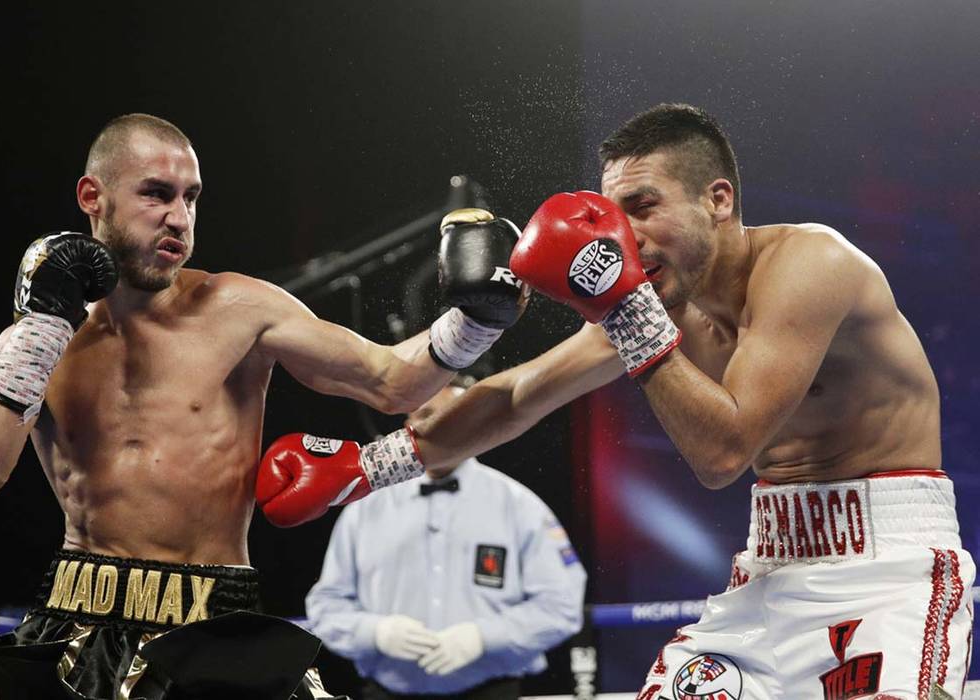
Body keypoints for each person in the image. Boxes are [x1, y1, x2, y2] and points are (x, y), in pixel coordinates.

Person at [259, 104, 975, 698]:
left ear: (718, 200)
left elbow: (725, 452)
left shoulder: (812, 264)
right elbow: (516, 396)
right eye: (612, 213)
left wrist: (627, 310)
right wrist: (369, 466)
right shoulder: (661, 308)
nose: (624, 235)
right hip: (770, 577)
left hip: (888, 576)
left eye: (645, 206)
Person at [0, 113, 526, 699]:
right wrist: (39, 333)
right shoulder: (44, 337)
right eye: (156, 195)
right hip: (75, 615)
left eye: (191, 198)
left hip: (212, 621)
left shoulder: (239, 308)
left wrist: (477, 320)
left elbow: (391, 381)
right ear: (93, 197)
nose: (178, 218)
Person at [303, 377, 587, 700]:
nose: (441, 428)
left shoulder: (519, 507)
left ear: (476, 424)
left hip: (490, 692)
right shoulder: (366, 508)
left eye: (454, 415)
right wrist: (374, 633)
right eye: (427, 416)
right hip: (387, 692)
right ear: (407, 424)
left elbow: (561, 605)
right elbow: (325, 607)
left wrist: (484, 637)